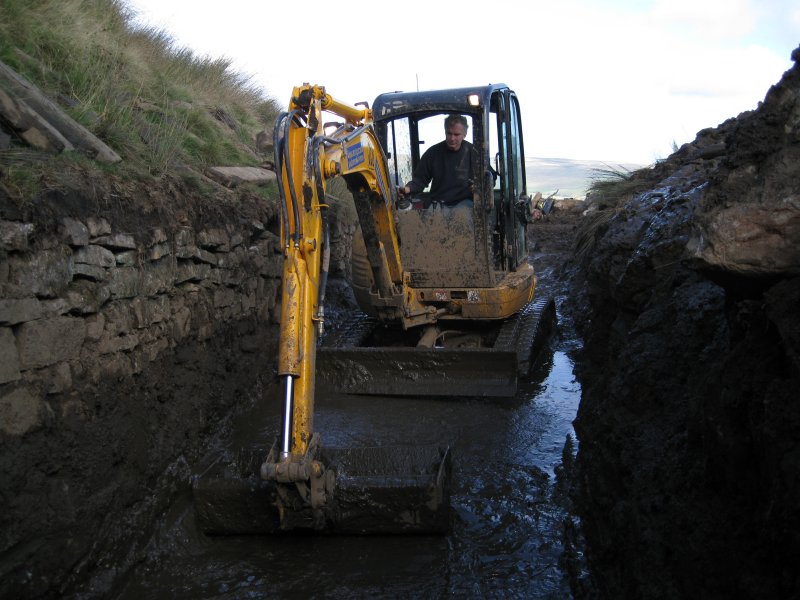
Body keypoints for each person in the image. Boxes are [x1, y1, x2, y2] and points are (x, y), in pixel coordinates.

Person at [397, 114, 474, 210]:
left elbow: (489, 177)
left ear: (464, 134)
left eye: (456, 134)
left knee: (464, 217)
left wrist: (477, 187)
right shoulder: (433, 153)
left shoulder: (474, 152)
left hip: (465, 202)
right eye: (449, 133)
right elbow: (420, 179)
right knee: (432, 219)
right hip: (438, 202)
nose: (452, 138)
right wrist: (407, 189)